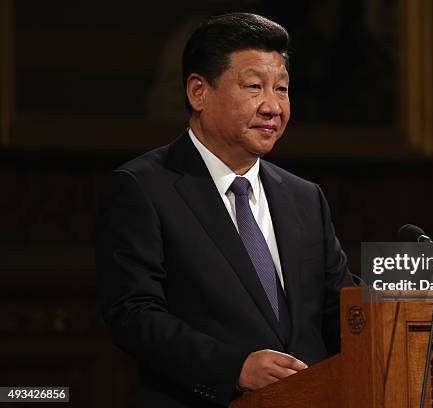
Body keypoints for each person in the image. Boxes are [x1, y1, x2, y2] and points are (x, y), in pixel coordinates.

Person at [96, 12, 353, 408]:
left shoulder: (304, 198)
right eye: (254, 86)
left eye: (282, 89)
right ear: (198, 91)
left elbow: (343, 310)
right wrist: (235, 368)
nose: (273, 106)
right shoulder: (143, 187)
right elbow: (133, 314)